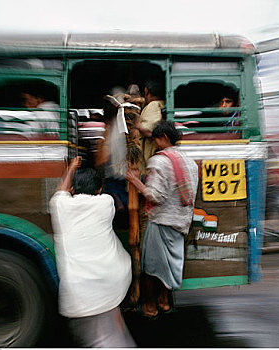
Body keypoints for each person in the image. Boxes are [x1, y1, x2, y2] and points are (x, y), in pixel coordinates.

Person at [49, 156, 135, 347]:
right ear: (99, 190)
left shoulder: (60, 206)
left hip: (82, 290)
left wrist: (71, 168)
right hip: (112, 278)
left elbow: (60, 191)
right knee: (112, 328)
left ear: (72, 191)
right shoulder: (105, 203)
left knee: (101, 339)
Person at [126, 121, 198, 318]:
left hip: (161, 221)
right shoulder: (189, 161)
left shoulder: (160, 161)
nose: (155, 144)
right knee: (169, 266)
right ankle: (164, 301)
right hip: (182, 222)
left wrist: (135, 181)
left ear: (164, 138)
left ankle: (150, 304)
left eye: (156, 140)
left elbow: (155, 196)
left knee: (151, 267)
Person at [135, 80, 166, 173]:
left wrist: (136, 124)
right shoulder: (163, 103)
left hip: (151, 153)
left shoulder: (153, 105)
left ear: (147, 91)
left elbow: (148, 131)